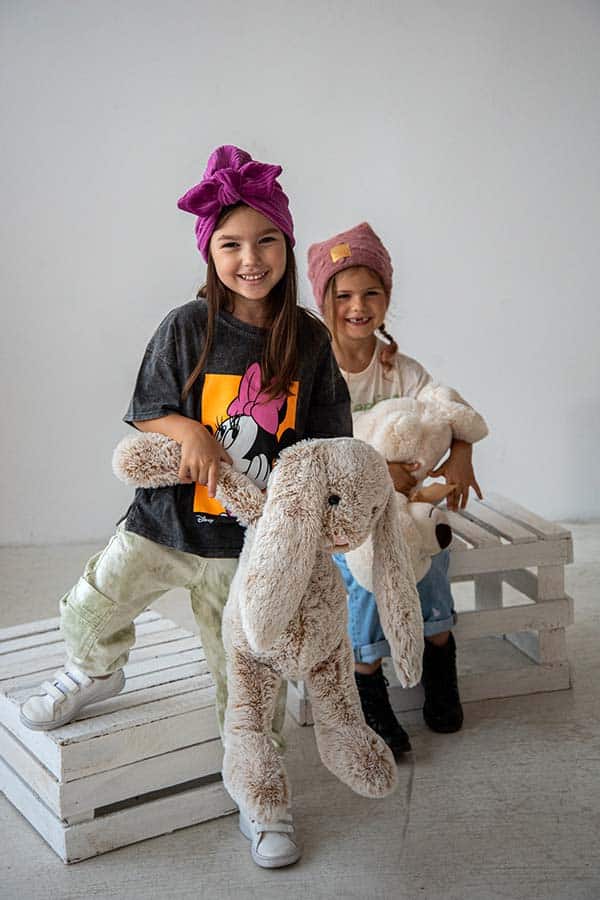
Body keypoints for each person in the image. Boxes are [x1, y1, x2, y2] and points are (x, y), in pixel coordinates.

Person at [20, 145, 352, 868]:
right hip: (166, 525)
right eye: (231, 244)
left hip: (248, 552)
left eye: (266, 241)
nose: (250, 259)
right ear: (210, 252)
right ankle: (95, 670)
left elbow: (330, 445)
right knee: (91, 604)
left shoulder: (309, 339)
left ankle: (262, 800)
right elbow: (147, 410)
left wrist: (312, 529)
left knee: (249, 688)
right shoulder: (186, 326)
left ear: (287, 245)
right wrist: (193, 432)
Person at [307, 222, 488, 758]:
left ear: (387, 298)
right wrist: (377, 472)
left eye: (371, 293)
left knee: (430, 561)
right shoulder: (316, 372)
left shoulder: (402, 371)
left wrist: (462, 452)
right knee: (362, 579)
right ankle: (366, 679)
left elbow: (448, 407)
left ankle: (439, 662)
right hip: (345, 515)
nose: (357, 307)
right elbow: (312, 451)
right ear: (323, 302)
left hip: (408, 511)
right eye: (343, 296)